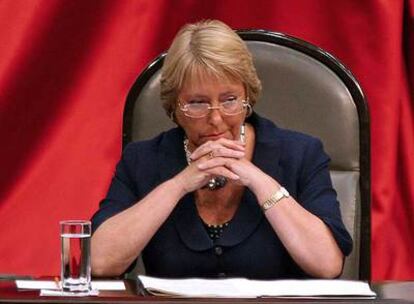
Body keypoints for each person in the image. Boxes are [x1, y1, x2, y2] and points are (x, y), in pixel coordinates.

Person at [91, 19, 352, 279]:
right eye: (197, 103)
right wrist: (179, 184)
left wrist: (258, 181)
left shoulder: (300, 154)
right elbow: (99, 262)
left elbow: (327, 265)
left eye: (229, 100)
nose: (216, 119)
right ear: (174, 108)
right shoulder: (142, 160)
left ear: (247, 97)